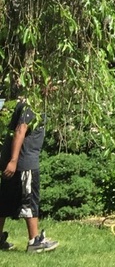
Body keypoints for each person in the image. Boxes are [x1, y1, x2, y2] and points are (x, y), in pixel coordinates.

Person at [0, 97, 57, 253]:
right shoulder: (31, 105)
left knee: (4, 201)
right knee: (29, 201)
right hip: (24, 164)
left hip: (15, 162)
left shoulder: (27, 103)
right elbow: (20, 131)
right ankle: (34, 242)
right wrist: (13, 161)